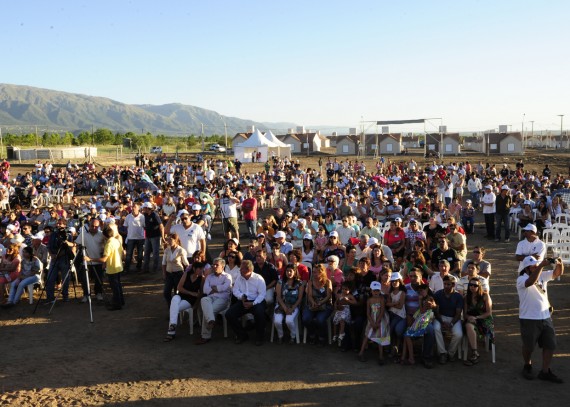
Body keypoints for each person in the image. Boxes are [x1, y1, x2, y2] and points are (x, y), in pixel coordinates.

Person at [517, 256, 564, 383]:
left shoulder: (542, 275)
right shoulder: (521, 279)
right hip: (529, 318)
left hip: (545, 316)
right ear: (526, 268)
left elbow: (557, 273)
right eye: (533, 266)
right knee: (529, 346)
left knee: (550, 344)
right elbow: (530, 282)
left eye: (536, 265)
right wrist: (542, 265)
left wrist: (559, 263)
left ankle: (545, 371)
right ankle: (527, 365)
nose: (535, 267)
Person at [226, 260, 267, 346]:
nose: (240, 271)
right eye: (240, 269)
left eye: (242, 269)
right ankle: (242, 335)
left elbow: (262, 294)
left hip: (257, 301)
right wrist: (241, 297)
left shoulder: (258, 279)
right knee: (229, 314)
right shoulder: (239, 277)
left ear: (249, 270)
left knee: (259, 313)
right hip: (244, 301)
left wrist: (253, 303)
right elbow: (235, 290)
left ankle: (260, 337)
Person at [85, 227, 124, 310]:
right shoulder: (116, 241)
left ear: (104, 235)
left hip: (112, 268)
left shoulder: (109, 244)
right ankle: (121, 301)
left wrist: (90, 259)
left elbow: (104, 259)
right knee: (118, 286)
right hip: (118, 266)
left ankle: (117, 305)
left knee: (115, 287)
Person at [164, 261, 204, 342]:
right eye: (199, 269)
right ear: (194, 269)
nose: (201, 271)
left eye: (202, 269)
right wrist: (191, 292)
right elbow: (179, 287)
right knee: (174, 299)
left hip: (190, 300)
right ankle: (173, 325)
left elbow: (201, 293)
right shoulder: (186, 274)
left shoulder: (202, 279)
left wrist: (196, 304)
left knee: (174, 308)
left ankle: (171, 332)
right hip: (181, 296)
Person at [195, 258, 233, 345]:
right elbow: (205, 290)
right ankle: (211, 321)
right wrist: (217, 289)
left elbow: (224, 288)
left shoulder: (227, 276)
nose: (214, 266)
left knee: (208, 310)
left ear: (222, 267)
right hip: (210, 298)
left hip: (223, 300)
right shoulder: (209, 277)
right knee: (204, 299)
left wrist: (214, 288)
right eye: (213, 265)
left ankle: (205, 336)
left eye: (217, 265)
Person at [400, 284, 436, 365]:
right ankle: (408, 357)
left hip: (424, 321)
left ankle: (410, 358)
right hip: (421, 320)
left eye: (422, 291)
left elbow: (422, 311)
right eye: (419, 291)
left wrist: (419, 301)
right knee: (406, 334)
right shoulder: (427, 298)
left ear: (426, 289)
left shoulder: (428, 299)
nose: (420, 293)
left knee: (407, 335)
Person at [463, 277, 494, 366]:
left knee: (470, 325)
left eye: (475, 285)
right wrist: (469, 317)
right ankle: (475, 352)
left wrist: (477, 317)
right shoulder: (466, 297)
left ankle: (474, 354)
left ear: (479, 286)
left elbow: (489, 313)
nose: (472, 287)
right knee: (468, 325)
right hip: (471, 319)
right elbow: (465, 314)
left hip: (484, 319)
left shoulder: (485, 296)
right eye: (470, 285)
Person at [433, 275, 464, 364]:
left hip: (454, 318)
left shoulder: (458, 296)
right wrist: (442, 322)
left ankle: (450, 352)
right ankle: (442, 352)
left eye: (448, 284)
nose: (446, 286)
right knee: (436, 329)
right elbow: (436, 311)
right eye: (445, 284)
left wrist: (451, 324)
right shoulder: (438, 294)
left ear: (453, 285)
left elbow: (458, 314)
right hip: (441, 316)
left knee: (458, 334)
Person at [358, 281, 390, 364]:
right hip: (372, 319)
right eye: (374, 290)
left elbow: (382, 311)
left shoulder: (381, 299)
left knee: (380, 336)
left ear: (380, 291)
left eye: (377, 290)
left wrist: (377, 322)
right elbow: (368, 313)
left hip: (381, 319)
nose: (376, 292)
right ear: (371, 291)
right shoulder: (369, 300)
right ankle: (361, 353)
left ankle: (381, 355)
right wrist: (372, 322)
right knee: (367, 335)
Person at [45, 217, 76, 304]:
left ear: (65, 225)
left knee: (65, 278)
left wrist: (59, 254)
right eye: (58, 223)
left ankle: (65, 295)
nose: (58, 225)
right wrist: (52, 255)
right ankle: (50, 297)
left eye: (60, 223)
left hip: (64, 258)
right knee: (50, 278)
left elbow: (70, 246)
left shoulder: (68, 234)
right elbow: (49, 246)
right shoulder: (53, 234)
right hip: (54, 258)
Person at [273, 264, 305, 344]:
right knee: (277, 321)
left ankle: (293, 336)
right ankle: (280, 336)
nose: (289, 273)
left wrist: (292, 308)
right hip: (281, 305)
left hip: (294, 305)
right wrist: (284, 307)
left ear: (295, 272)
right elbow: (279, 297)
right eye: (287, 271)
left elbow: (300, 298)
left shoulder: (299, 283)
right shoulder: (280, 282)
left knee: (289, 321)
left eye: (291, 271)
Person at [302, 264, 333, 346]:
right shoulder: (310, 282)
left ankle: (322, 337)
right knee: (305, 319)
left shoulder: (328, 282)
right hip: (313, 304)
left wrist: (320, 303)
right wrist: (313, 303)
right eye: (314, 272)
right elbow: (309, 295)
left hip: (325, 305)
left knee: (320, 320)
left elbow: (328, 296)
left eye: (316, 272)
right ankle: (312, 334)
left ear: (321, 272)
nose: (314, 274)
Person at [76, 218, 105, 303]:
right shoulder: (83, 234)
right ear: (89, 225)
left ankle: (98, 293)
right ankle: (86, 294)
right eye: (92, 226)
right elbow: (76, 244)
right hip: (86, 262)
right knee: (85, 280)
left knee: (99, 279)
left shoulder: (102, 235)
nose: (94, 228)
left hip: (98, 261)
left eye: (96, 226)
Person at [161, 233, 190, 306]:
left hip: (178, 274)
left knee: (177, 293)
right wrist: (164, 274)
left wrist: (188, 273)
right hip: (169, 274)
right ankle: (171, 308)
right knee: (166, 292)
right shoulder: (167, 250)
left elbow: (185, 263)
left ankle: (178, 310)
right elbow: (164, 263)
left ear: (175, 240)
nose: (169, 241)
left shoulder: (181, 250)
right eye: (168, 240)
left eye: (171, 239)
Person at [142, 201, 164, 274]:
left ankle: (155, 268)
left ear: (147, 208)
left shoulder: (155, 215)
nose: (143, 209)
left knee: (155, 253)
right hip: (148, 236)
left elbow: (161, 225)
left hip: (155, 236)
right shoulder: (145, 215)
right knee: (146, 252)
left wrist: (163, 236)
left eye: (144, 208)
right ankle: (146, 268)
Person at [332, 281, 355, 347]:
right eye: (343, 289)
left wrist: (348, 300)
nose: (344, 291)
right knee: (335, 322)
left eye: (346, 289)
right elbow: (336, 302)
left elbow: (355, 302)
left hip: (346, 311)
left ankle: (341, 334)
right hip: (339, 310)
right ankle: (335, 335)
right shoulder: (339, 295)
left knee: (342, 320)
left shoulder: (350, 296)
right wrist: (336, 306)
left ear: (349, 290)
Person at [123, 202, 145, 273]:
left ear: (138, 208)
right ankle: (126, 268)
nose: (133, 208)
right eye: (133, 207)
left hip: (140, 238)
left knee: (140, 255)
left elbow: (144, 226)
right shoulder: (128, 216)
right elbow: (125, 226)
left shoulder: (142, 217)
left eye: (135, 207)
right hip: (130, 238)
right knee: (128, 254)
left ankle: (139, 267)